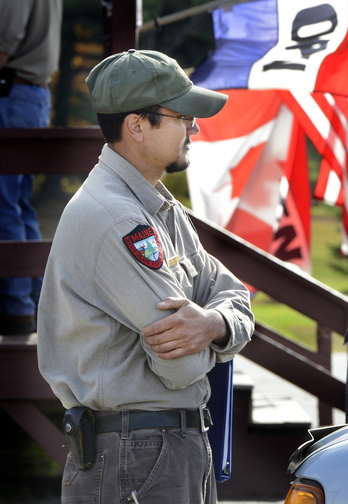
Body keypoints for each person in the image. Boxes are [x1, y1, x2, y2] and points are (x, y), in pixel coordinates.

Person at [37, 49, 255, 504]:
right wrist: (218, 337)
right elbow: (181, 367)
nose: (195, 126)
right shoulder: (117, 219)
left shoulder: (156, 206)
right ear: (137, 126)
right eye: (183, 115)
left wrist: (214, 325)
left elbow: (232, 292)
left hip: (152, 449)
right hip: (136, 454)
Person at [0, 0, 62, 335]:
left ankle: (16, 307)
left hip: (10, 92)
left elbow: (5, 36)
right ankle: (33, 303)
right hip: (27, 93)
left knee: (5, 204)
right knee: (18, 204)